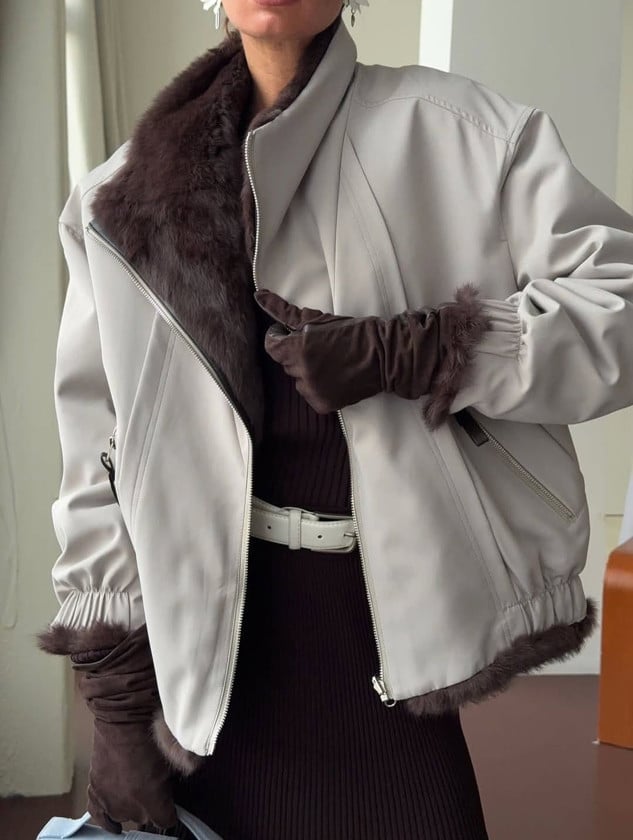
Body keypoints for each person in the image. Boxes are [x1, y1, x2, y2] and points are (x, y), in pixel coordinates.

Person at [37, 0, 633, 837]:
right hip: (210, 642)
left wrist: (429, 350)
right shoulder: (118, 197)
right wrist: (117, 705)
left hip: (390, 622)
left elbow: (620, 308)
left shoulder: (466, 134)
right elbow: (98, 454)